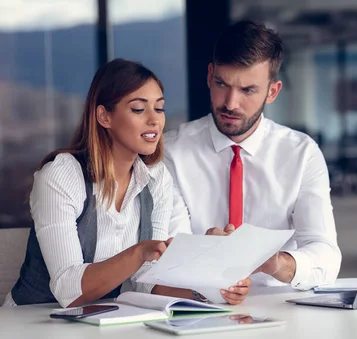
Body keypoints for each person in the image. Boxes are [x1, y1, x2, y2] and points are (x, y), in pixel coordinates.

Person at [163, 21, 340, 339]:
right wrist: (208, 258)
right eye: (223, 84)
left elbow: (325, 252)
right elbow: (167, 251)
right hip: (198, 319)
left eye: (248, 90)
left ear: (272, 91)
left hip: (285, 321)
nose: (231, 103)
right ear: (209, 75)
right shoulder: (171, 152)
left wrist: (274, 262)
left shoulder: (301, 153)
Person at [4, 58, 250, 308]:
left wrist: (211, 288)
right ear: (104, 116)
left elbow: (146, 281)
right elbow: (68, 290)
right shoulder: (62, 176)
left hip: (102, 322)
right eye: (138, 109)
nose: (154, 120)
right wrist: (141, 252)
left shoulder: (156, 179)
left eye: (160, 108)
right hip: (33, 323)